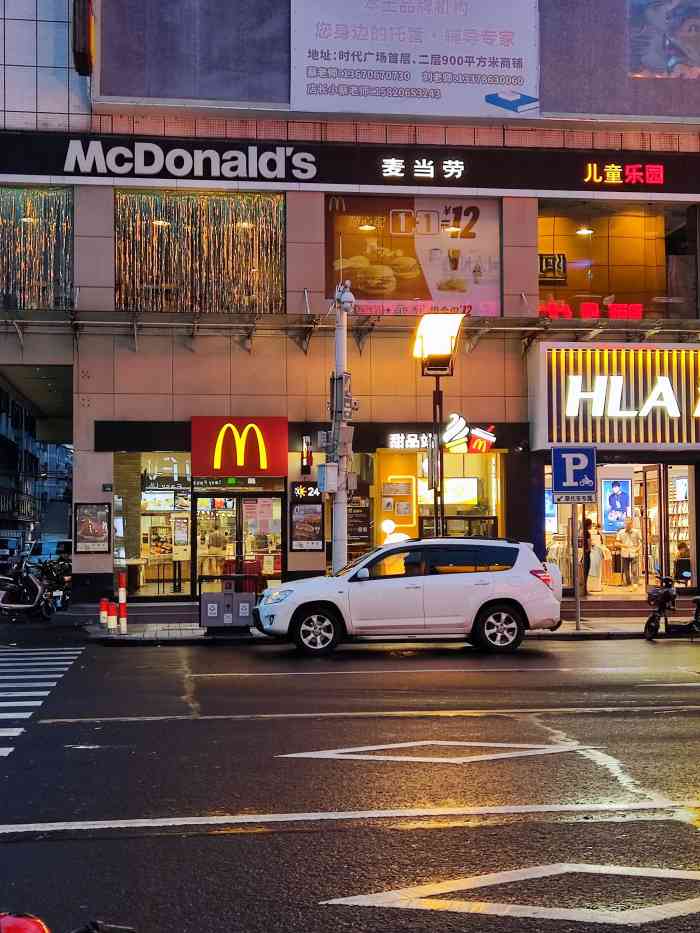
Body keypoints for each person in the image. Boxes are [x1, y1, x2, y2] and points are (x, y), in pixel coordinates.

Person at [616, 518, 643, 587]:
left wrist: (638, 548)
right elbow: (617, 543)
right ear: (624, 524)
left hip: (634, 553)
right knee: (626, 570)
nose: (627, 525)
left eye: (629, 524)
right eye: (626, 524)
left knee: (634, 570)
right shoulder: (621, 532)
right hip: (624, 553)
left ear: (632, 524)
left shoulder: (636, 532)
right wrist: (623, 545)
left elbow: (641, 541)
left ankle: (635, 583)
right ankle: (628, 583)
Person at [583, 518, 593, 594]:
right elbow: (589, 543)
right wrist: (589, 549)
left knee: (583, 572)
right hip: (586, 554)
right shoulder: (587, 533)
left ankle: (584, 589)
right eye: (591, 524)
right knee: (586, 571)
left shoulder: (581, 532)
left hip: (583, 554)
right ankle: (585, 589)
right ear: (589, 525)